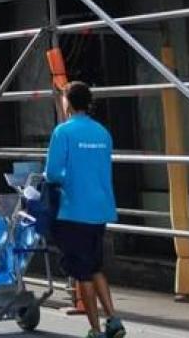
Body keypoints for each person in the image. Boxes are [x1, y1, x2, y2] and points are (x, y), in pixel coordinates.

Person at [45, 81, 125, 338]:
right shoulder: (103, 133)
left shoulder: (63, 132)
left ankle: (95, 329)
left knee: (83, 273)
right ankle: (113, 319)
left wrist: (64, 178)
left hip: (73, 210)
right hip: (100, 208)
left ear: (68, 102)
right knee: (95, 266)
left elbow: (52, 173)